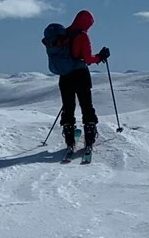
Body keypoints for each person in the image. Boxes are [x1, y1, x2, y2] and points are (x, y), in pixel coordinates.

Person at [42, 9, 110, 151]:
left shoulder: (63, 34)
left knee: (68, 106)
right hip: (80, 74)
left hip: (65, 76)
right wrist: (100, 56)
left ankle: (69, 138)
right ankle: (90, 136)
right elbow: (88, 59)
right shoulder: (82, 36)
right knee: (86, 105)